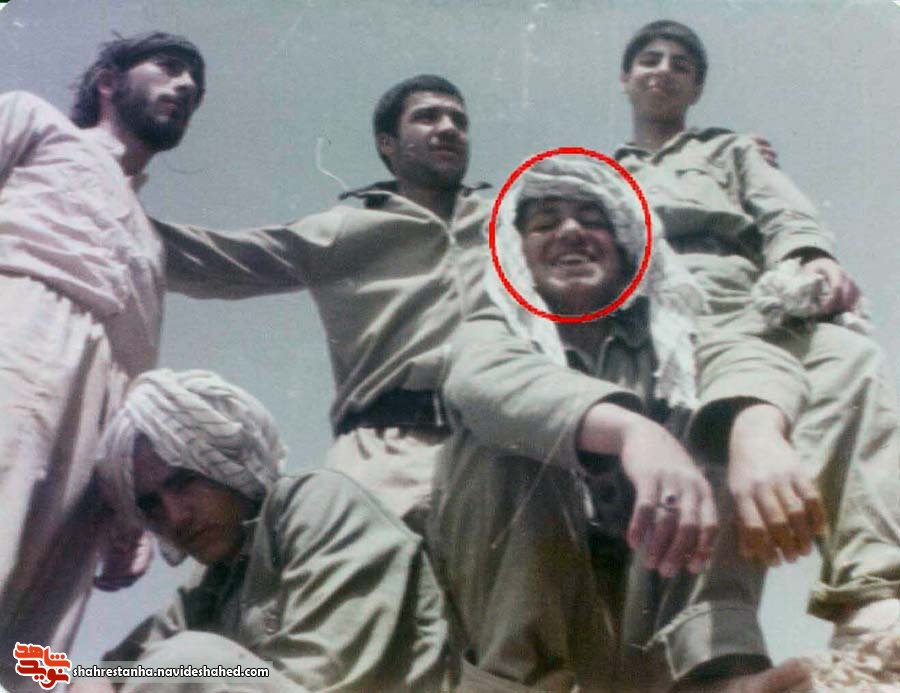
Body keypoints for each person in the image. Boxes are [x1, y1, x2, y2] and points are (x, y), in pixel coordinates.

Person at [428, 153, 810, 692]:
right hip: (539, 620)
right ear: (518, 251)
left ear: (626, 243)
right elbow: (482, 380)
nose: (570, 233)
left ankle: (714, 671)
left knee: (727, 411)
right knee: (502, 438)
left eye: (593, 220)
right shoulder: (494, 328)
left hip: (647, 617)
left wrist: (756, 429)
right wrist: (634, 431)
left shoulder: (668, 330)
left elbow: (743, 357)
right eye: (545, 224)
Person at [615, 19, 900, 664]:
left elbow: (782, 209)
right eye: (650, 60)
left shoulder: (729, 150)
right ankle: (716, 653)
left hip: (742, 289)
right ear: (626, 79)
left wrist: (811, 255)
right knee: (714, 437)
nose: (664, 71)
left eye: (681, 65)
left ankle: (871, 594)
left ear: (696, 88)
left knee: (850, 360)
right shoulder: (601, 169)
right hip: (653, 301)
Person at [153, 74, 490, 536]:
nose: (448, 128)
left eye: (459, 121)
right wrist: (101, 213)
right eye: (427, 117)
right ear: (387, 144)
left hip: (503, 451)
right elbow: (218, 259)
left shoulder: (507, 224)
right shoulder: (345, 230)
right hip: (385, 459)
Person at [0, 32, 204, 689]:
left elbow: (138, 368)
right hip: (18, 333)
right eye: (169, 69)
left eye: (194, 85)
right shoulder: (34, 121)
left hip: (98, 422)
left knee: (35, 638)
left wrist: (128, 505)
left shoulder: (151, 244)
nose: (186, 87)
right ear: (109, 82)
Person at [77, 368, 447, 693]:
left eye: (184, 481)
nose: (175, 517)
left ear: (227, 462)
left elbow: (321, 680)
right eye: (151, 505)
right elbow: (114, 670)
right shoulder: (212, 582)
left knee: (185, 663)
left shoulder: (317, 505)